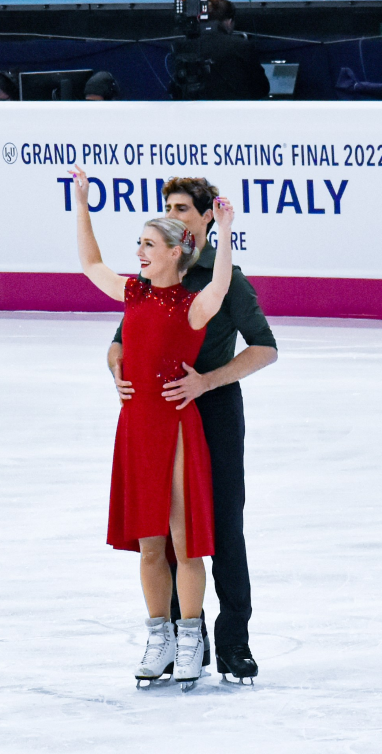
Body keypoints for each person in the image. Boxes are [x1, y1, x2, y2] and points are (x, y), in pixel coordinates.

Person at [71, 164, 235, 688]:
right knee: (148, 544)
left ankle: (190, 639)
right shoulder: (133, 296)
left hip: (178, 429)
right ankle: (159, 638)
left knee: (185, 544)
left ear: (172, 253)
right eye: (138, 242)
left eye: (147, 244)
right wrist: (82, 207)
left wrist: (225, 234)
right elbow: (90, 261)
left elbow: (223, 283)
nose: (139, 252)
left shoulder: (191, 307)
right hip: (136, 428)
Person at [108, 177, 278, 682]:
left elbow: (264, 348)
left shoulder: (226, 278)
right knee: (164, 532)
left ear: (206, 217)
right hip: (159, 414)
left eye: (183, 208)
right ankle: (188, 639)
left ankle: (234, 643)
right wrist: (118, 370)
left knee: (221, 527)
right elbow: (121, 338)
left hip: (214, 411)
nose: (174, 215)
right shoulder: (155, 272)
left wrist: (207, 381)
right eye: (168, 208)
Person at [171, 0, 270, 101]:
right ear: (229, 22)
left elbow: (177, 89)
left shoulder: (183, 46)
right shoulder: (242, 45)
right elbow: (262, 88)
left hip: (195, 112)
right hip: (236, 112)